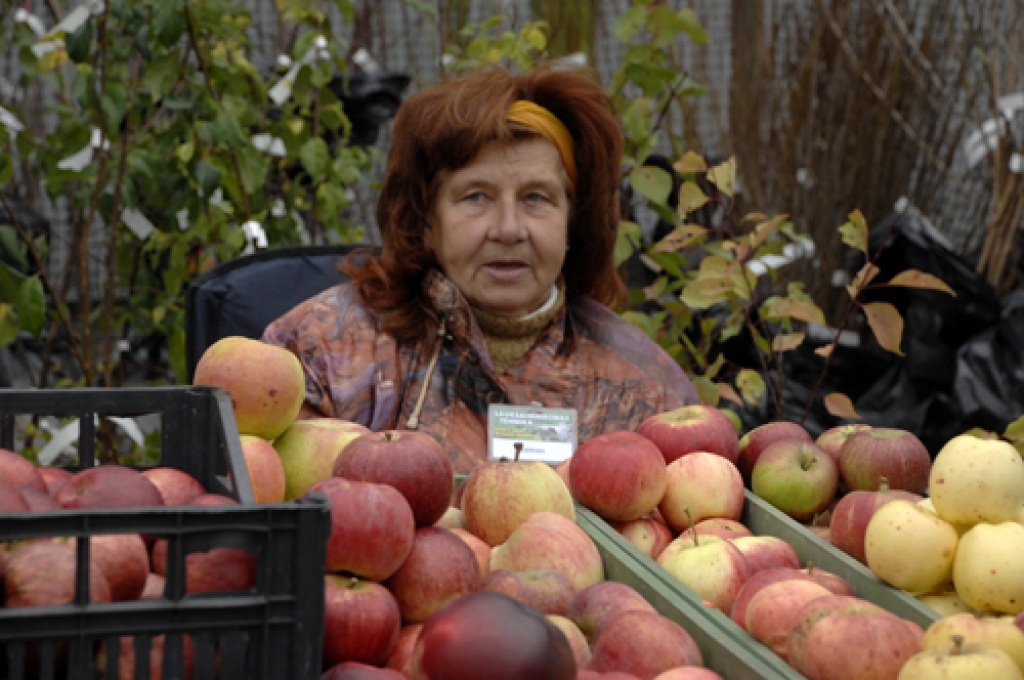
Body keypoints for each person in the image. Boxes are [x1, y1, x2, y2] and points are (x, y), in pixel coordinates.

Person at [262, 64, 699, 473]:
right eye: (476, 197)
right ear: (426, 220)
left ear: (572, 221)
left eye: (535, 198)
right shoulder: (320, 352)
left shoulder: (646, 391)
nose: (509, 230)